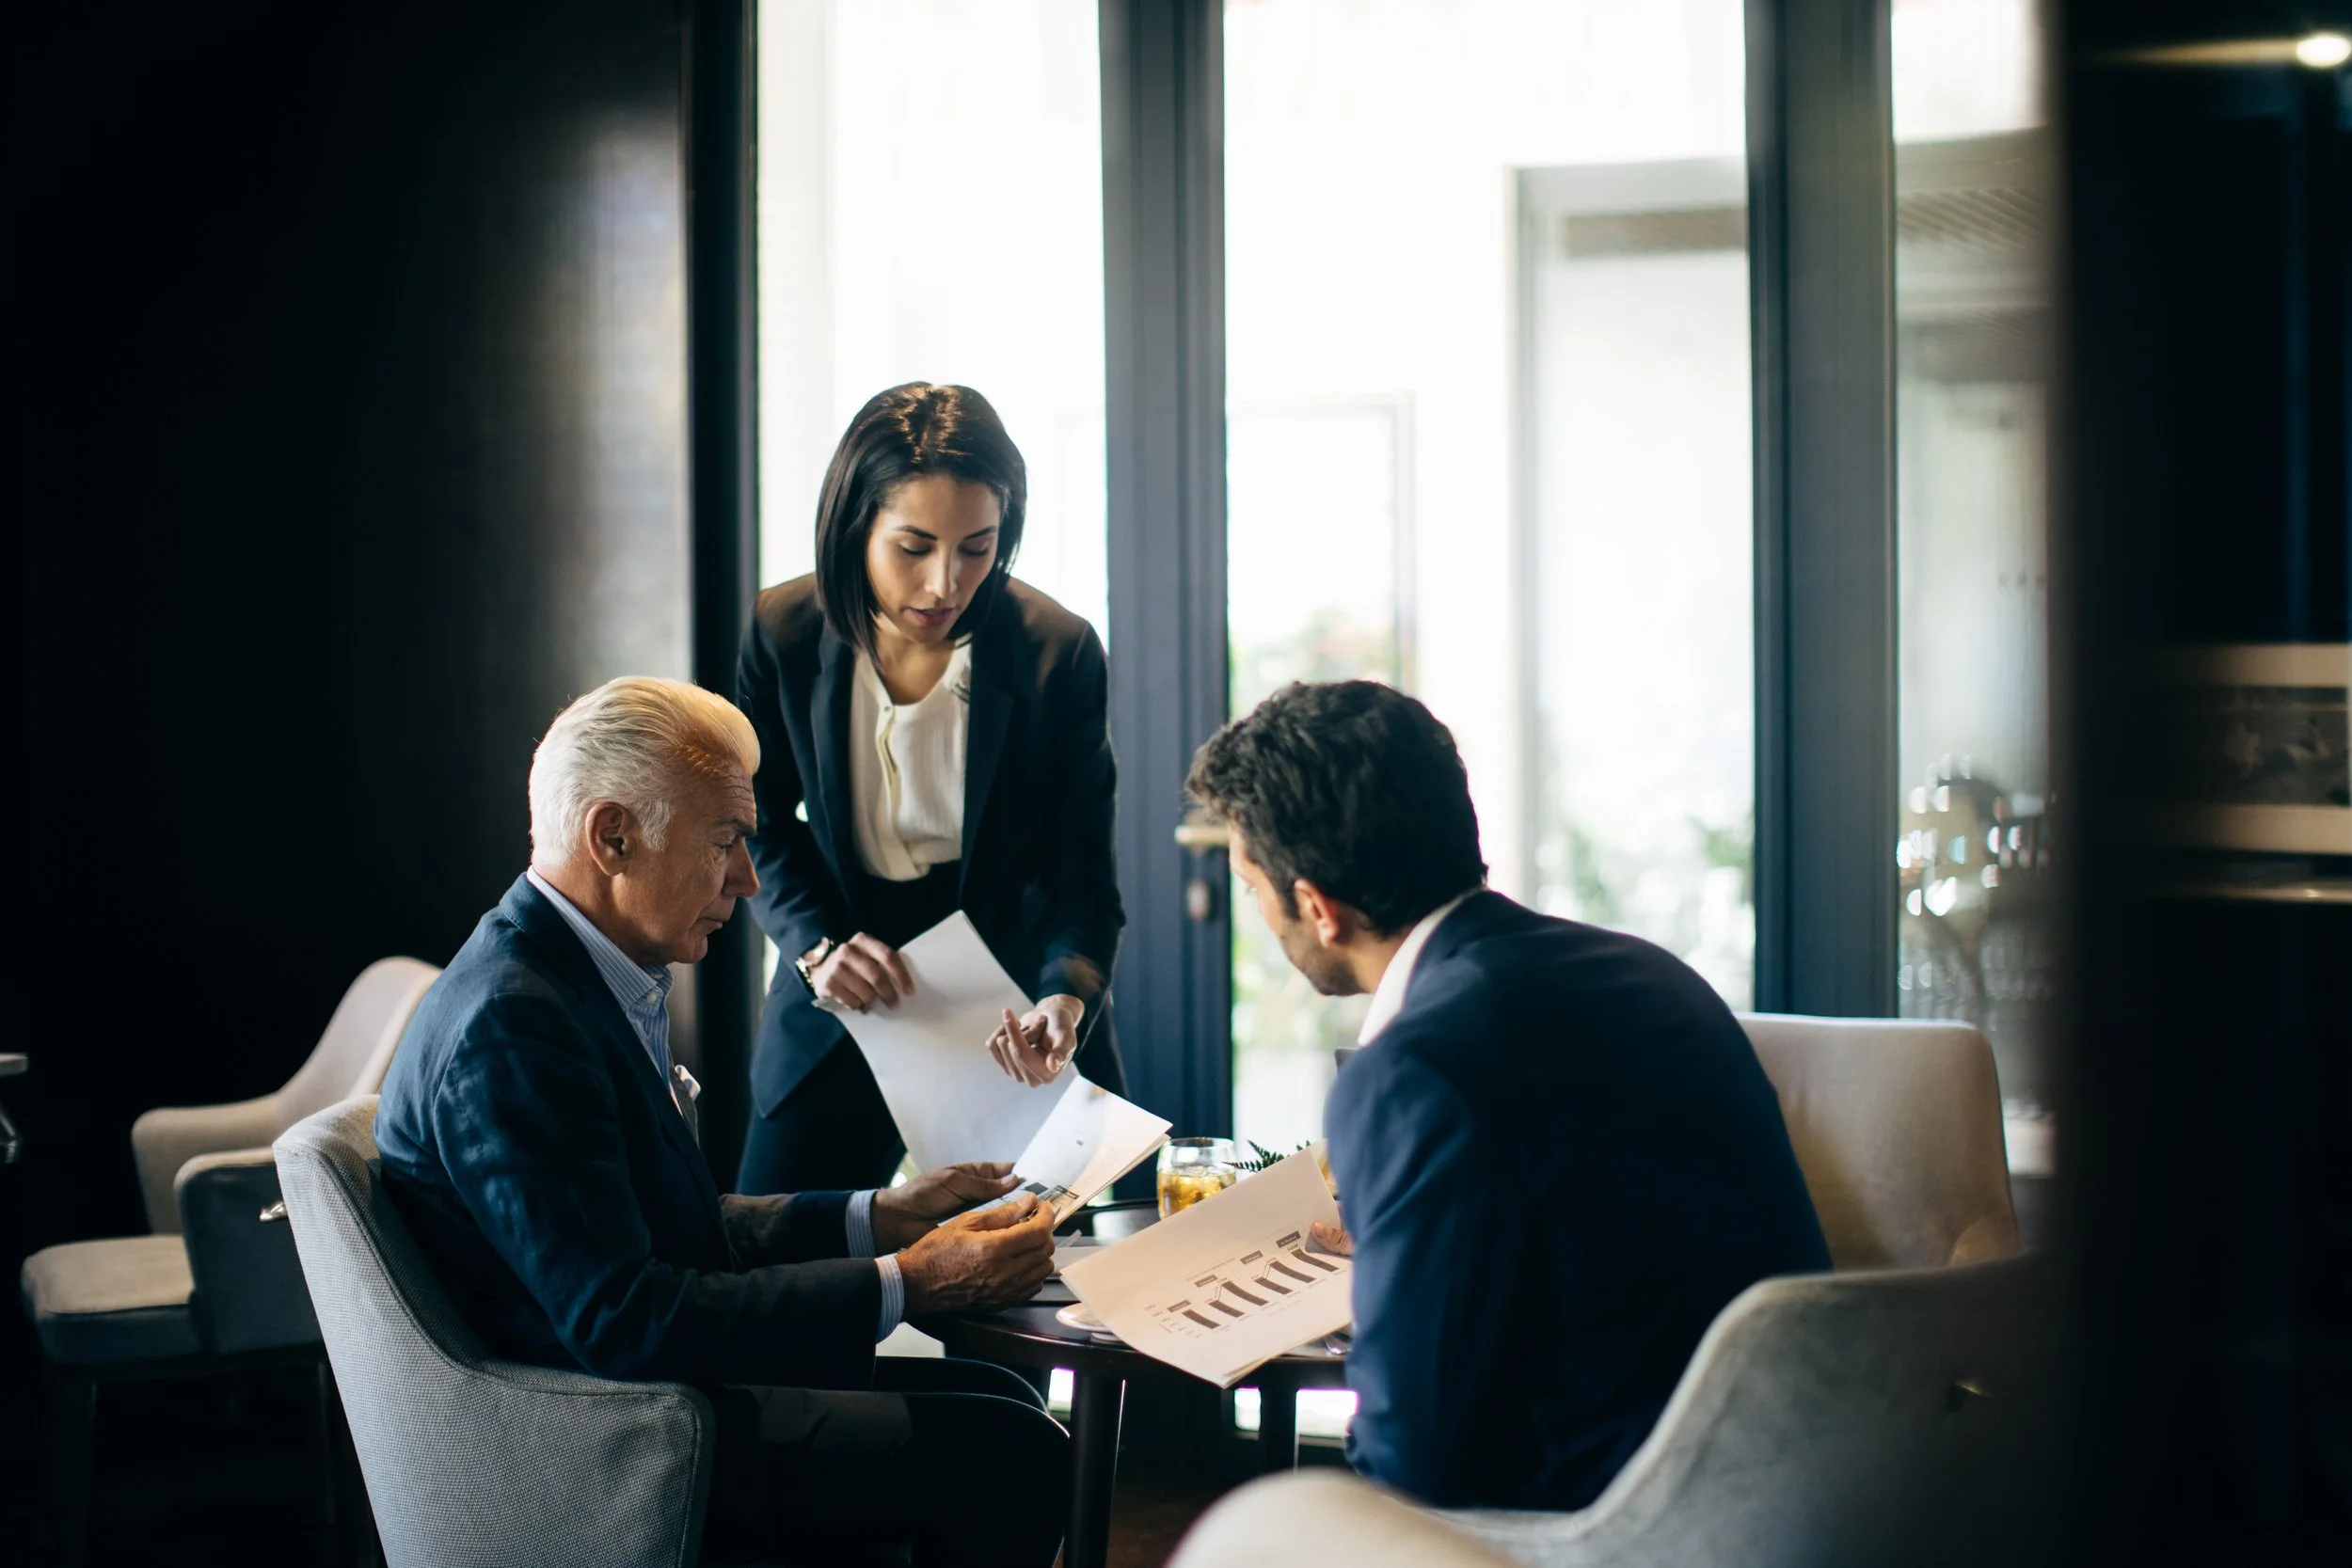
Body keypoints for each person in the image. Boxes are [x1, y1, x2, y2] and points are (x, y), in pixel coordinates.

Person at [375, 676, 1068, 1566]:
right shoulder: (515, 1026)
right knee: (1018, 1451)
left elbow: (656, 1226)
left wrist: (881, 1216)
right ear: (613, 835)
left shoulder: (565, 974)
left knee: (1005, 1395)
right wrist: (914, 1280)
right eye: (727, 840)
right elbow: (626, 1318)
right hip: (627, 1443)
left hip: (650, 1397)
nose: (747, 878)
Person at [1184, 680, 1831, 1513]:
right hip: (1808, 1488)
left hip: (1602, 1524)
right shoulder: (1651, 973)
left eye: (1251, 887)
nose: (1259, 914)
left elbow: (1418, 1462)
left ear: (1317, 906)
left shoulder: (1411, 1071)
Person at [734, 382, 1123, 1196]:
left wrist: (1064, 999)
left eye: (977, 548)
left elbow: (1082, 871)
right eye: (914, 547)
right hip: (843, 985)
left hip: (1012, 1013)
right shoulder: (783, 631)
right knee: (789, 1279)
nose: (947, 584)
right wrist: (815, 946)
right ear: (855, 526)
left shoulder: (1058, 652)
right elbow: (755, 815)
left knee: (1038, 1302)